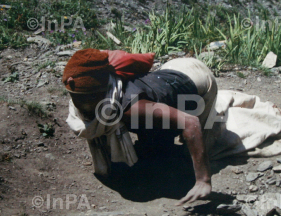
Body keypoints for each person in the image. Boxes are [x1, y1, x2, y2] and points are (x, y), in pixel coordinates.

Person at [63, 48, 218, 205]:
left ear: (100, 94)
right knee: (153, 141)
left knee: (196, 151)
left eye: (85, 100)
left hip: (197, 77)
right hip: (169, 71)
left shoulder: (131, 108)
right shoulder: (105, 94)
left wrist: (202, 180)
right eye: (75, 98)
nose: (80, 106)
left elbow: (191, 123)